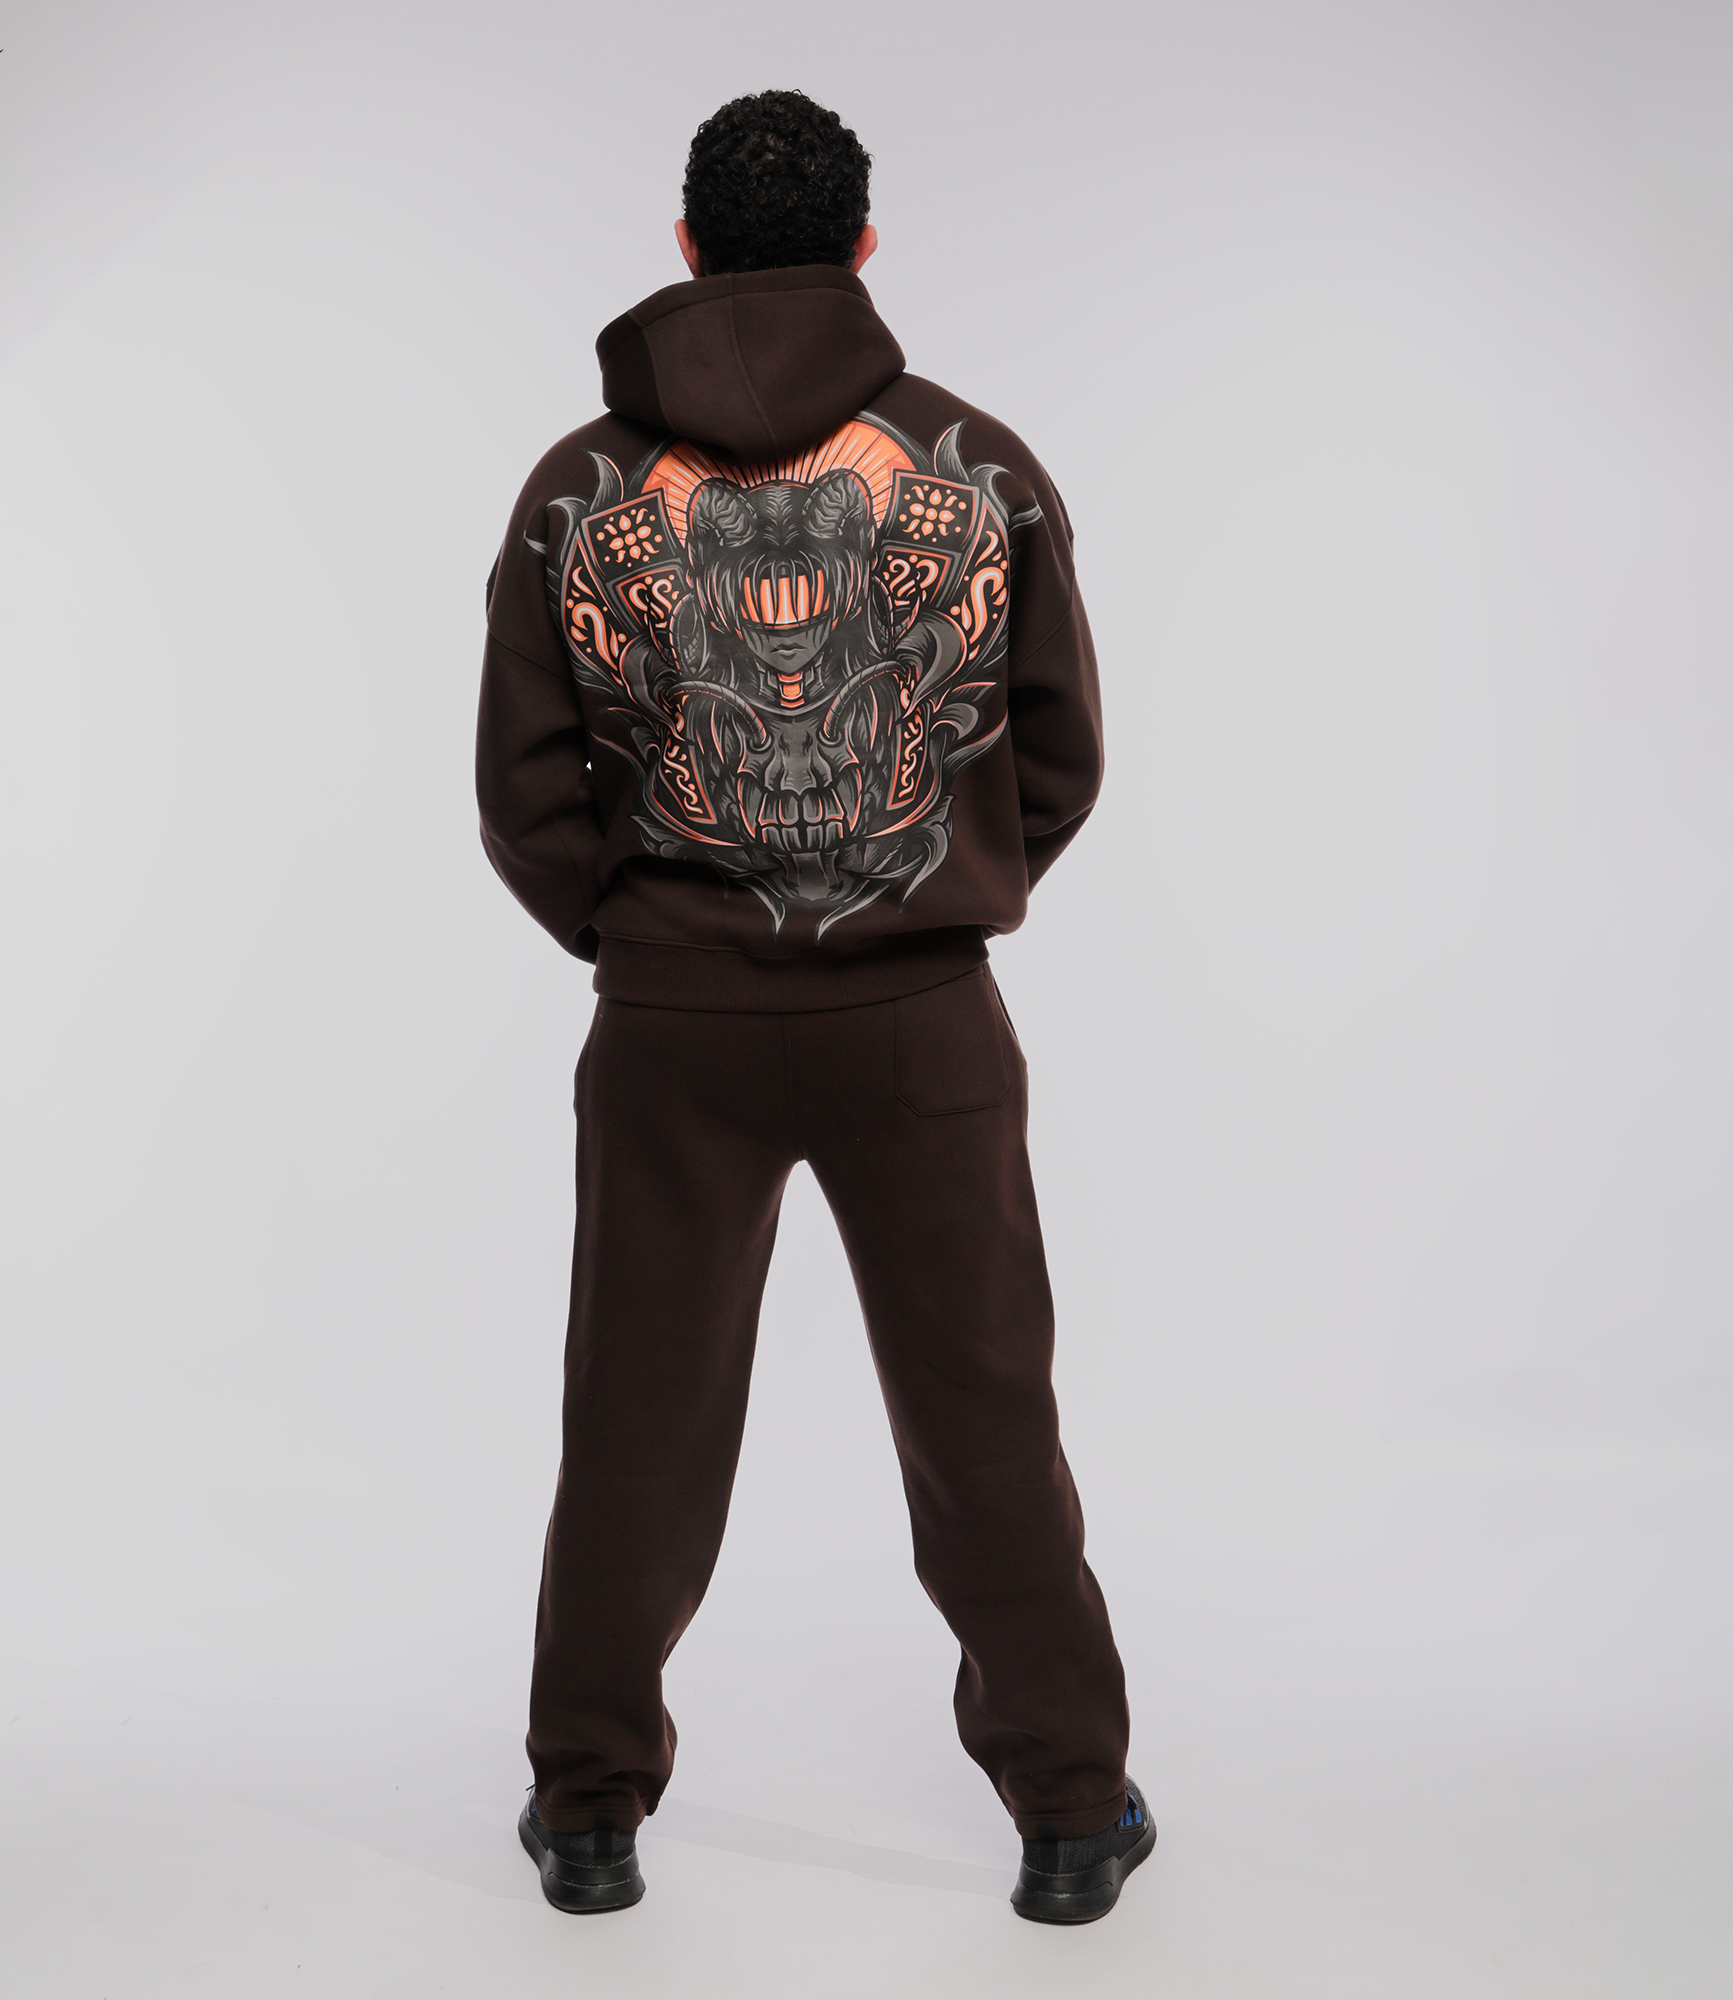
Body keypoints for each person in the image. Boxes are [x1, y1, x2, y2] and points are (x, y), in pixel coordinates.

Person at [477, 89, 1150, 1925]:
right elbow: (1059, 751)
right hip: (924, 1020)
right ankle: (1069, 1815)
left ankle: (588, 1810)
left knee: (636, 1420)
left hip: (672, 1028)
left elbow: (525, 792)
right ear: (862, 245)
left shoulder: (575, 493)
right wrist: (944, 887)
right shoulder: (982, 466)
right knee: (985, 1414)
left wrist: (650, 938)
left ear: (686, 249)